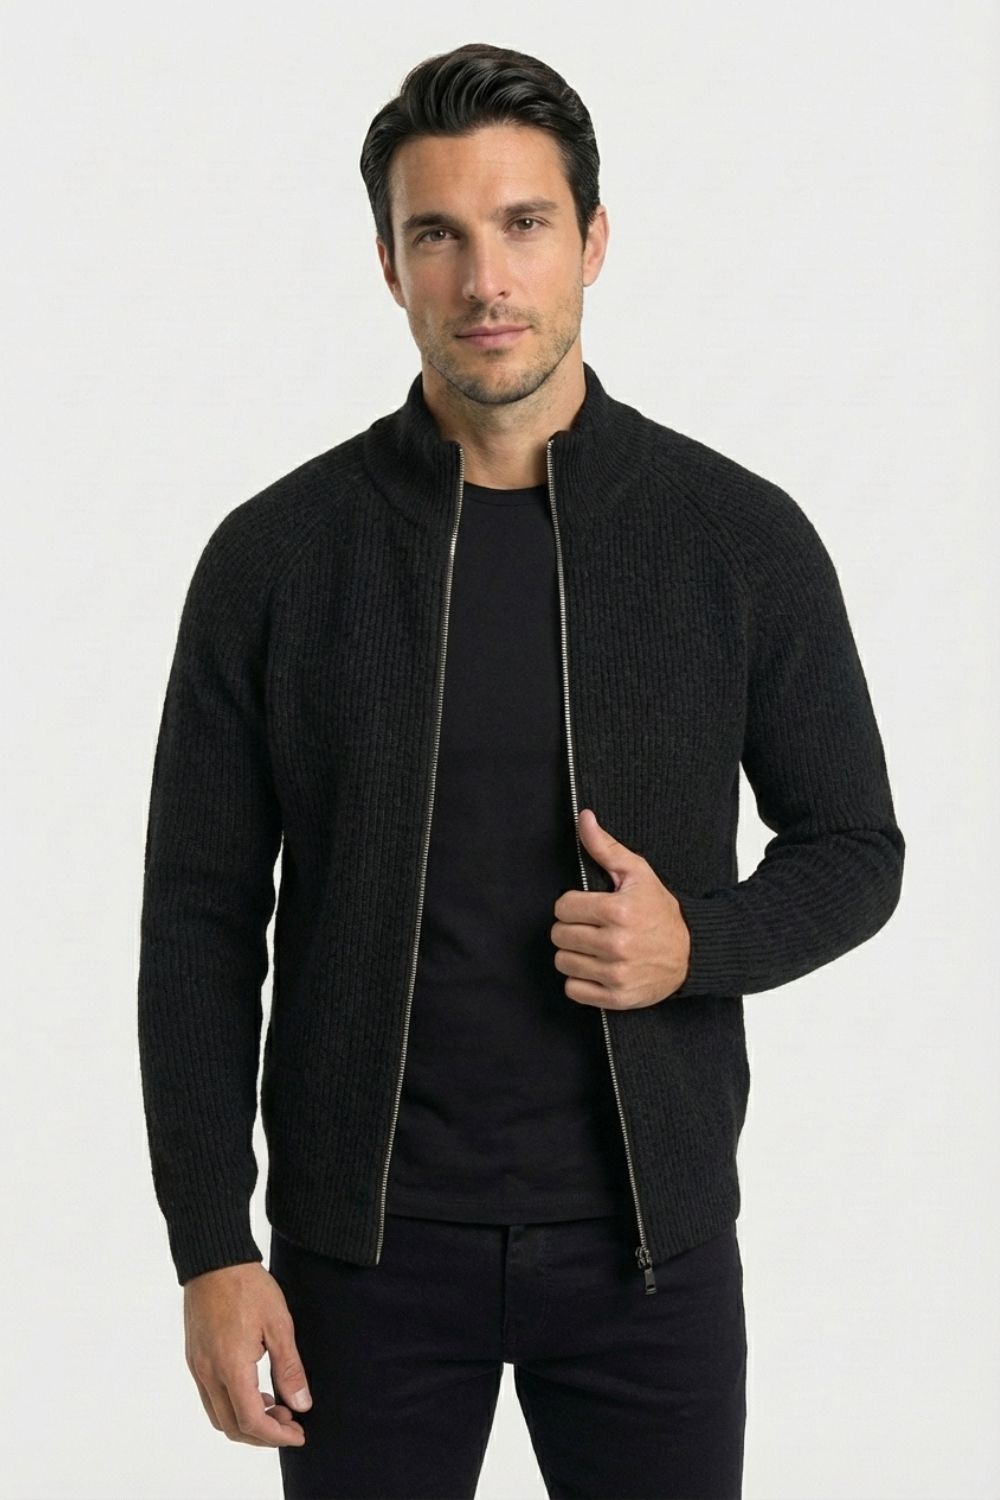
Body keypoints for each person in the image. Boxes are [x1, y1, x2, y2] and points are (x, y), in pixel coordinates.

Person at [137, 41, 906, 1500]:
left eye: (524, 224)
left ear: (593, 241)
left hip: (650, 1258)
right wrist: (211, 1247)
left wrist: (698, 945)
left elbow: (857, 847)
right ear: (389, 266)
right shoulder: (276, 558)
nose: (485, 279)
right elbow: (196, 923)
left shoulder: (736, 538)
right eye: (438, 234)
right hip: (360, 1265)